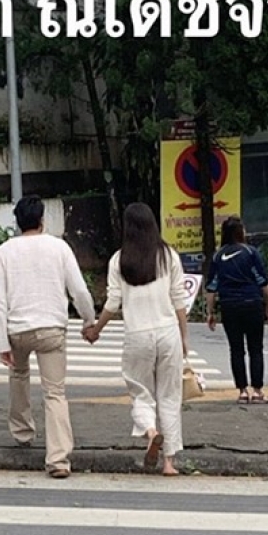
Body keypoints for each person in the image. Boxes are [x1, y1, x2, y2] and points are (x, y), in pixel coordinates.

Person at [0, 194, 97, 478]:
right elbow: (79, 290)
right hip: (51, 328)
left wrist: (2, 343)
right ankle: (59, 459)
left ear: (17, 222)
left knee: (18, 376)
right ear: (41, 220)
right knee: (55, 392)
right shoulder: (59, 248)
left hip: (17, 329)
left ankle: (23, 432)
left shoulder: (3, 252)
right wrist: (89, 321)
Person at [83, 202, 189, 477]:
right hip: (168, 332)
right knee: (170, 395)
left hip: (138, 335)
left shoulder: (119, 260)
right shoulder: (169, 256)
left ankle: (151, 431)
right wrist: (184, 336)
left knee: (140, 392)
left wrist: (96, 329)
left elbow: (114, 302)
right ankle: (169, 463)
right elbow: (179, 299)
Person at [205, 215, 268, 405]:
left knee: (236, 349)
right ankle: (258, 391)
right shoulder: (251, 252)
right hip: (252, 303)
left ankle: (243, 391)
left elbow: (211, 287)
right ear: (239, 232)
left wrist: (210, 312)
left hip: (229, 306)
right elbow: (263, 281)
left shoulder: (218, 256)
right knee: (256, 348)